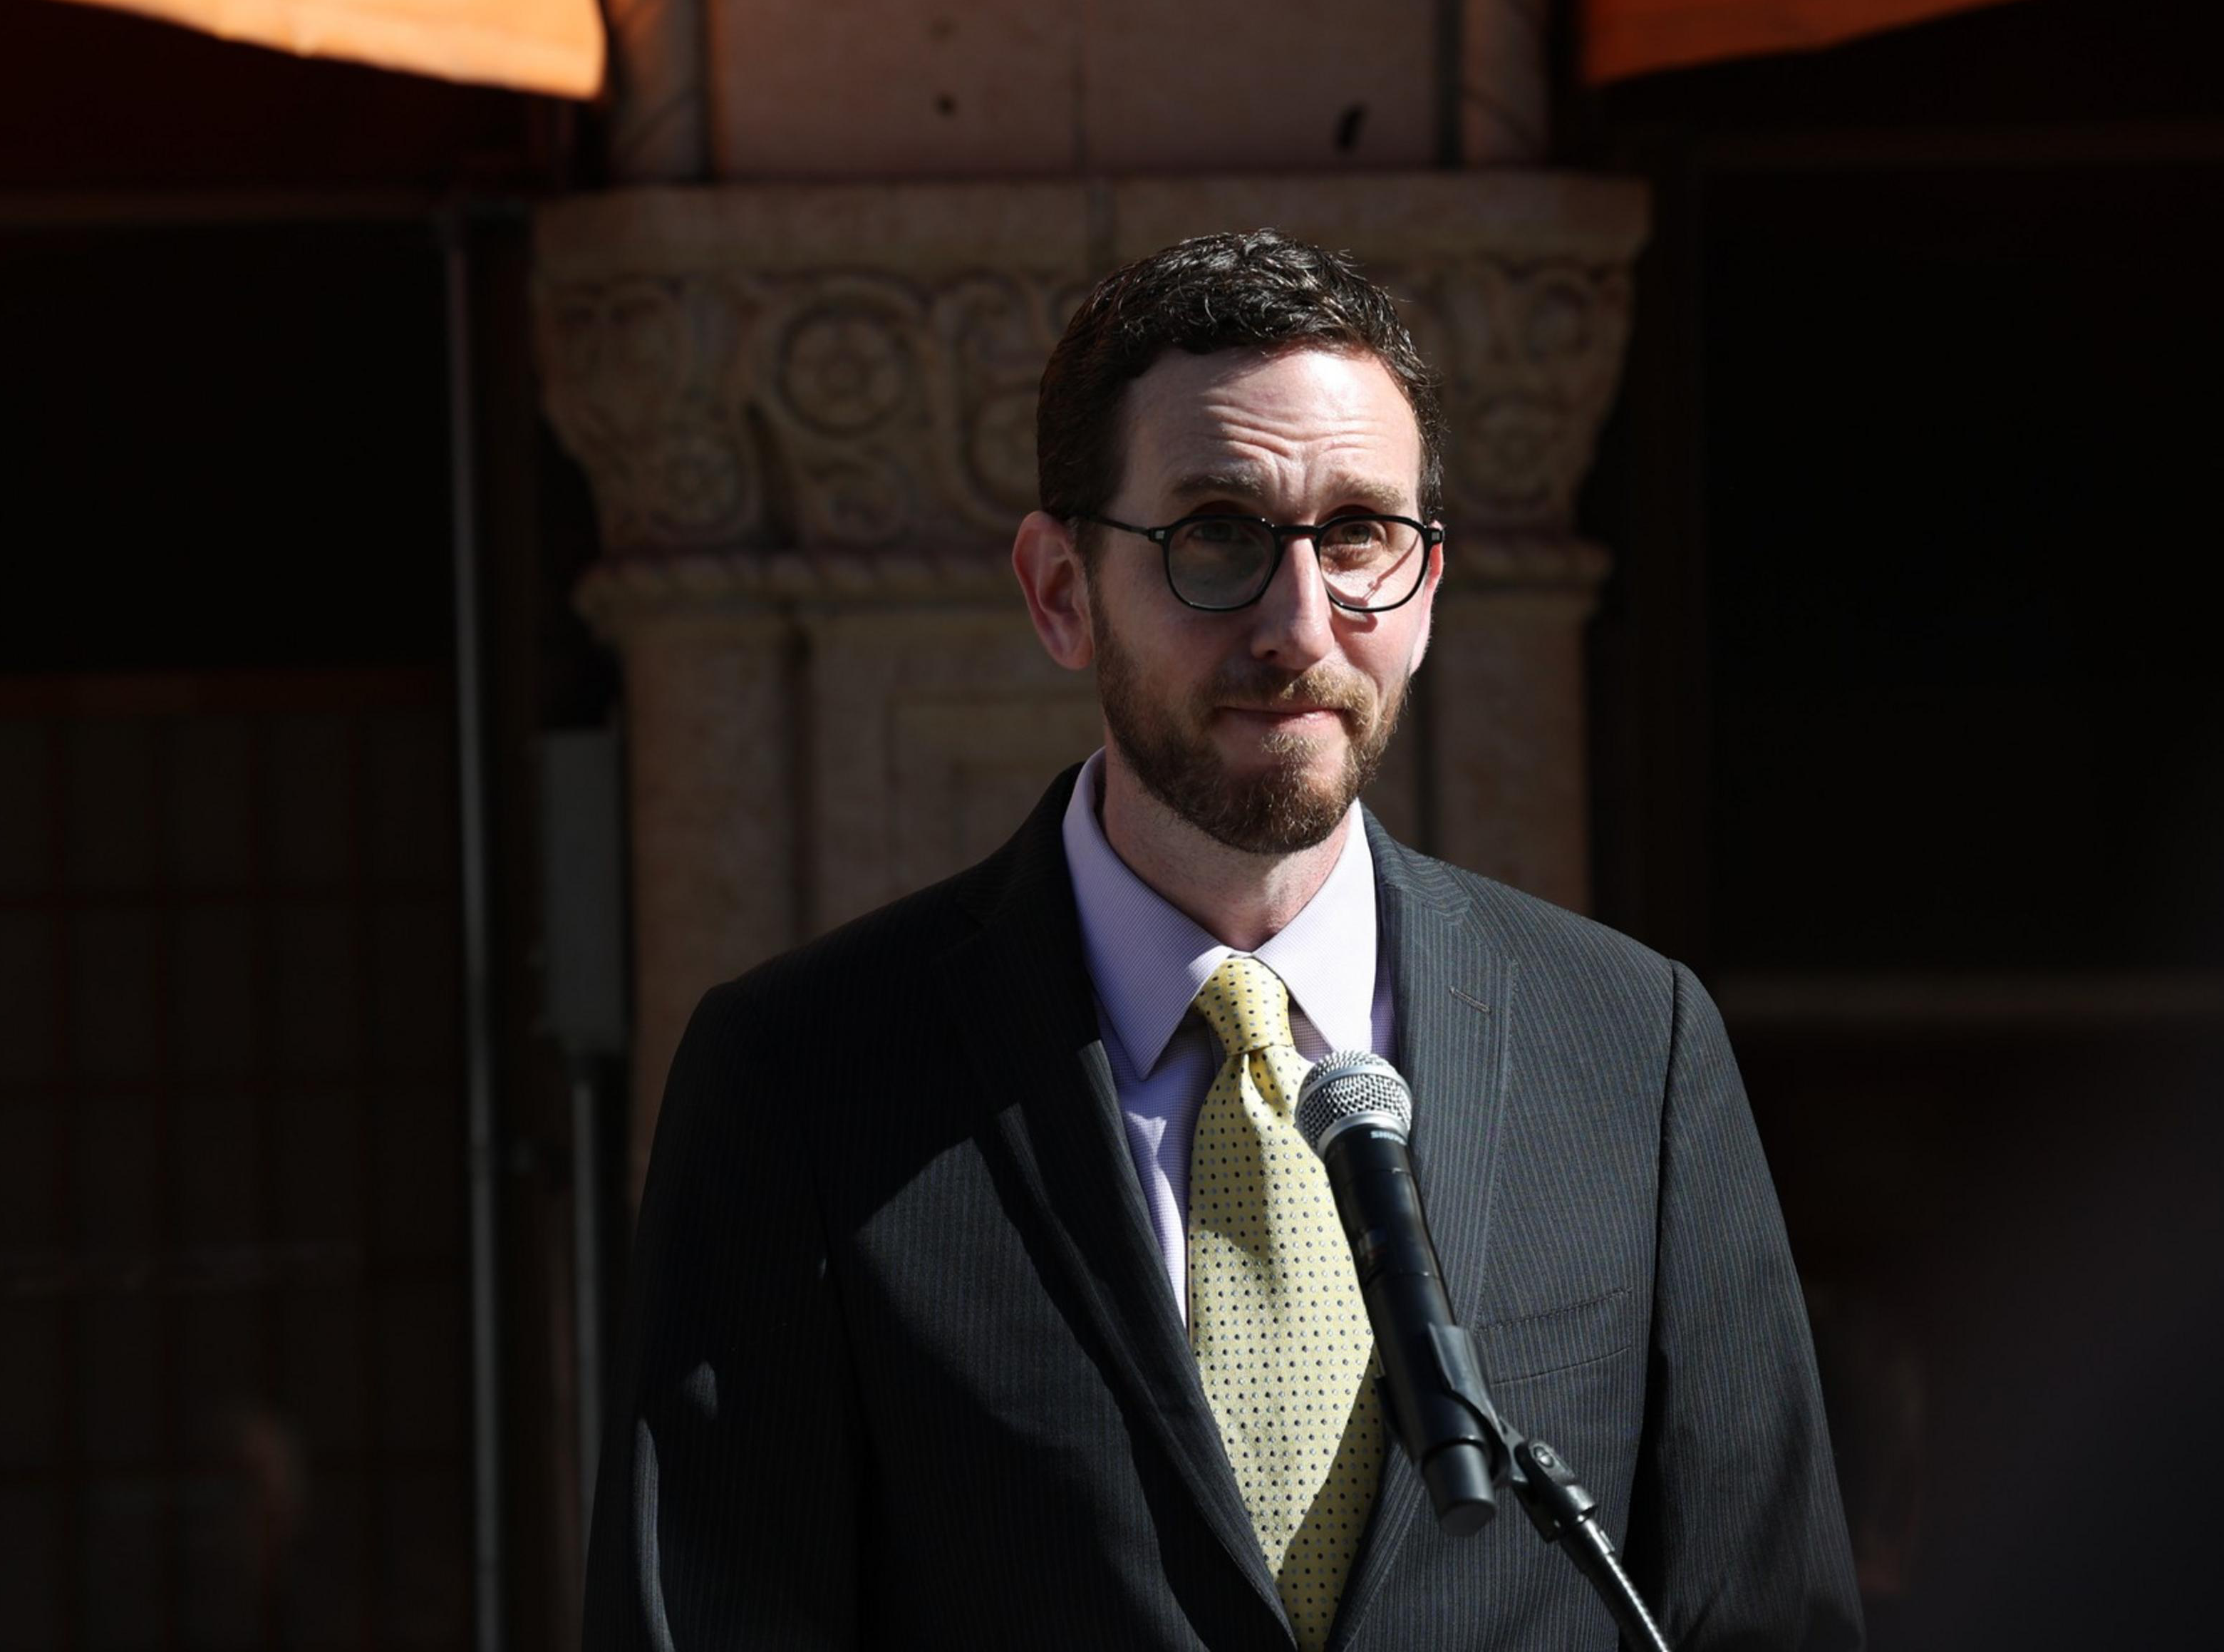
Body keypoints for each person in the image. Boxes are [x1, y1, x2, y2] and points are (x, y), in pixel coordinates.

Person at [582, 232, 1861, 1650]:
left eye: (1361, 534)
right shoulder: (805, 1073)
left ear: (1429, 589)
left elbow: (1764, 1611)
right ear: (1062, 591)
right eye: (1217, 537)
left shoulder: (1632, 1042)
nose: (1298, 623)